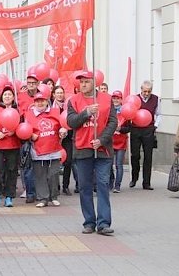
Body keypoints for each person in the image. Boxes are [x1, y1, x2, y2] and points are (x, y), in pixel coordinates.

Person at [67, 70, 117, 235]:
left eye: (86, 82)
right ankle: (89, 222)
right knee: (84, 187)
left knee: (102, 185)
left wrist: (101, 140)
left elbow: (112, 122)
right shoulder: (73, 101)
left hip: (102, 150)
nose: (83, 85)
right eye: (81, 82)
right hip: (83, 149)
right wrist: (87, 113)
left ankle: (103, 223)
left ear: (94, 83)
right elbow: (71, 122)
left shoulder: (107, 99)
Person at [24, 91, 67, 207]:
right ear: (34, 103)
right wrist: (30, 136)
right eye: (37, 101)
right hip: (37, 150)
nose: (40, 103)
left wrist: (63, 132)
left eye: (42, 101)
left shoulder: (55, 112)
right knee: (40, 175)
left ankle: (54, 196)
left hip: (54, 149)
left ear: (47, 101)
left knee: (53, 174)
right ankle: (43, 198)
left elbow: (63, 126)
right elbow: (24, 130)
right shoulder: (29, 115)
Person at [0, 85, 21, 208]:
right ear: (2, 97)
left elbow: (23, 126)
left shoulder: (18, 110)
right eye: (5, 94)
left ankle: (9, 196)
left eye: (10, 94)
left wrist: (15, 130)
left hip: (13, 144)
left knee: (11, 170)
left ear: (13, 97)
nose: (7, 96)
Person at [129, 80, 161, 190]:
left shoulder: (156, 99)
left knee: (148, 156)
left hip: (148, 129)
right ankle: (134, 177)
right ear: (141, 90)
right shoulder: (135, 99)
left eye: (149, 91)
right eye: (145, 91)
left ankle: (146, 182)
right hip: (136, 129)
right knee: (135, 155)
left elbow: (159, 114)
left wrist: (155, 126)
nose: (147, 93)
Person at [18, 73, 40, 202]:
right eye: (29, 83)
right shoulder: (20, 97)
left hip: (39, 134)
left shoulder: (42, 96)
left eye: (33, 83)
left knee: (40, 166)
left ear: (37, 84)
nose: (31, 85)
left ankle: (40, 191)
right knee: (27, 165)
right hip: (25, 135)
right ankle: (30, 192)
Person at [52, 85, 77, 195]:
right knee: (55, 162)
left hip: (68, 137)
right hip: (54, 137)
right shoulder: (50, 107)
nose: (60, 95)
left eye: (61, 93)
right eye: (57, 93)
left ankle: (65, 186)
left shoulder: (68, 106)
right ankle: (55, 186)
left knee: (68, 161)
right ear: (53, 95)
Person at [110, 91, 130, 193]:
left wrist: (120, 129)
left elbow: (128, 128)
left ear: (121, 99)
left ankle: (117, 185)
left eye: (117, 98)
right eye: (114, 98)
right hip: (110, 141)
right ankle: (111, 182)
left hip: (121, 142)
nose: (115, 100)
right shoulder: (109, 111)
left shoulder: (126, 111)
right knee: (109, 164)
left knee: (118, 164)